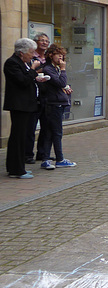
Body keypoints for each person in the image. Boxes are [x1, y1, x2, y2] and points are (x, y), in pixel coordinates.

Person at [3, 38, 43, 179]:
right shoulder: (12, 63)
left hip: (27, 105)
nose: (32, 55)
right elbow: (22, 81)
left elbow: (27, 79)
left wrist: (36, 77)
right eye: (31, 52)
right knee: (18, 137)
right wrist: (33, 71)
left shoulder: (23, 63)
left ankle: (18, 167)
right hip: (19, 105)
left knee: (22, 136)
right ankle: (16, 169)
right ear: (22, 53)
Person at [40, 44, 76, 169]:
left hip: (57, 102)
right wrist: (64, 70)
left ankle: (45, 159)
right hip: (54, 104)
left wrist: (65, 88)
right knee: (57, 132)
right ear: (51, 55)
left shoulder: (55, 69)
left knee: (50, 132)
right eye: (58, 54)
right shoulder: (49, 69)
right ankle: (59, 159)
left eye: (62, 54)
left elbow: (61, 84)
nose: (61, 57)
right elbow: (61, 82)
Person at [25, 32, 50, 163]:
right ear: (36, 42)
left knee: (46, 127)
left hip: (47, 96)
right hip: (34, 96)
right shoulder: (30, 57)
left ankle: (43, 153)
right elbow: (28, 74)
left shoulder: (48, 58)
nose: (45, 43)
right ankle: (28, 154)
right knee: (30, 128)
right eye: (42, 40)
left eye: (47, 41)